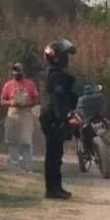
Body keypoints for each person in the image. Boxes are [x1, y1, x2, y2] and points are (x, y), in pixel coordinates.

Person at [39, 38, 78, 200]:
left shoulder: (55, 74)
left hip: (53, 116)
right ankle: (52, 189)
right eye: (63, 56)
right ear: (55, 57)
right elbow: (57, 99)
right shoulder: (55, 76)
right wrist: (63, 119)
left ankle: (56, 187)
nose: (66, 59)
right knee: (53, 155)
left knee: (56, 154)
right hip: (53, 117)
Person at [0, 62, 39, 171]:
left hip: (25, 114)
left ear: (23, 72)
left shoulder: (30, 84)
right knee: (13, 142)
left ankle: (28, 167)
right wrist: (10, 102)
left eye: (19, 71)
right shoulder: (8, 85)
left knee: (26, 142)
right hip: (13, 114)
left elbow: (36, 99)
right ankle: (14, 167)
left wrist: (29, 103)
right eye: (15, 71)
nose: (17, 73)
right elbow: (2, 101)